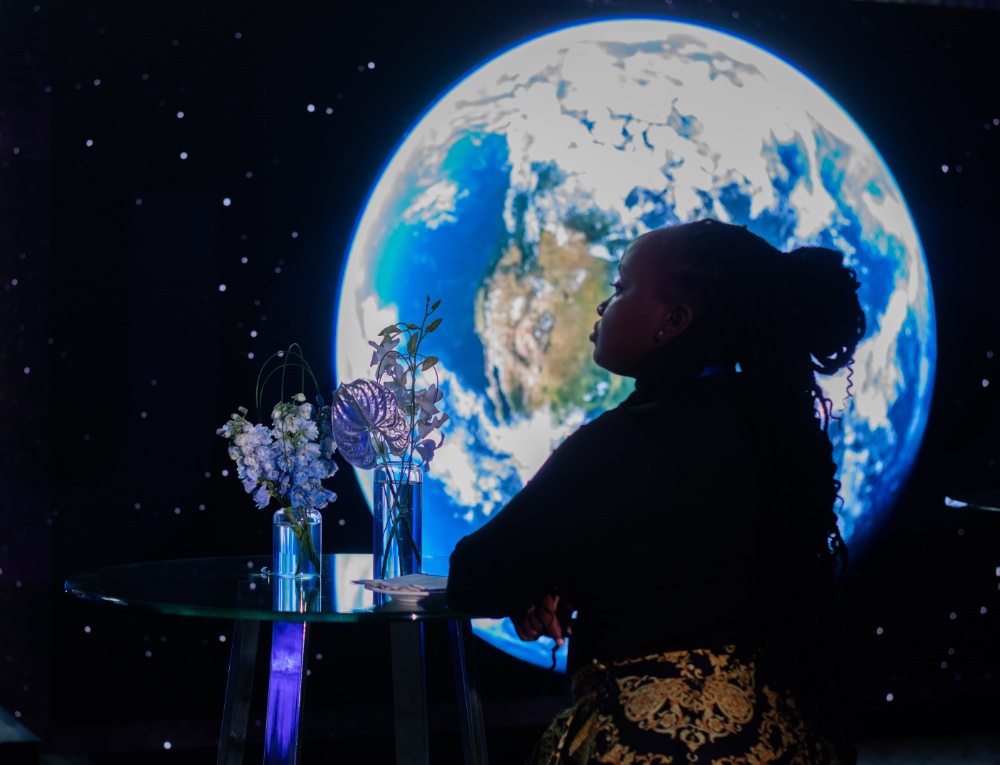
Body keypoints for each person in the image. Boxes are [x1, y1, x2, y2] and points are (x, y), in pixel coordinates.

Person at [446, 218, 866, 764]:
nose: (603, 306)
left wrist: (541, 583)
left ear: (673, 321)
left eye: (620, 287)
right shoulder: (775, 433)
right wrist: (573, 582)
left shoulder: (622, 442)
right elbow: (680, 566)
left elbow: (474, 576)